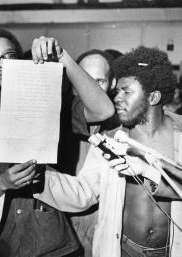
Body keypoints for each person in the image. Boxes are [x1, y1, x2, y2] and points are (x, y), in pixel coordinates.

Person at [0, 29, 114, 257]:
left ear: (18, 61)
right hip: (2, 246)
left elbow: (104, 110)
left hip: (54, 244)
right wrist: (4, 183)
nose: (1, 64)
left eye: (8, 56)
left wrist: (62, 56)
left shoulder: (47, 101)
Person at [34, 46, 182, 257]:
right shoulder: (111, 140)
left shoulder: (180, 137)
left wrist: (145, 170)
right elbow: (83, 192)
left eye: (126, 91)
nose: (117, 98)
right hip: (124, 250)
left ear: (153, 97)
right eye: (117, 91)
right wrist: (39, 177)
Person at [70, 49, 116, 257]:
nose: (91, 90)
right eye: (84, 80)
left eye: (99, 81)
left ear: (113, 84)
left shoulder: (122, 129)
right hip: (64, 233)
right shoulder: (59, 121)